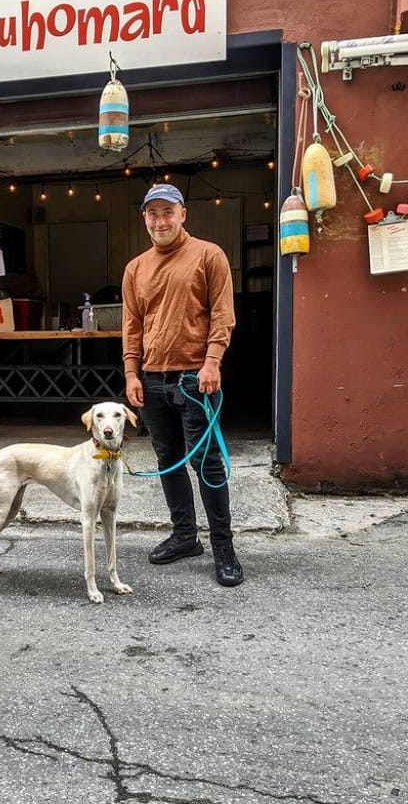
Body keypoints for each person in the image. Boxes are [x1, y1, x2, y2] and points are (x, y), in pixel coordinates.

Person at [121, 183, 243, 586]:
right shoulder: (135, 268)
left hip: (195, 378)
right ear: (145, 218)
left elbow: (223, 314)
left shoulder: (209, 255)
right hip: (152, 381)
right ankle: (185, 536)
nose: (160, 221)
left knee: (205, 463)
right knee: (167, 460)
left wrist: (213, 362)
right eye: (152, 214)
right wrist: (131, 372)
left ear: (183, 214)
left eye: (167, 212)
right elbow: (133, 324)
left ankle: (223, 546)